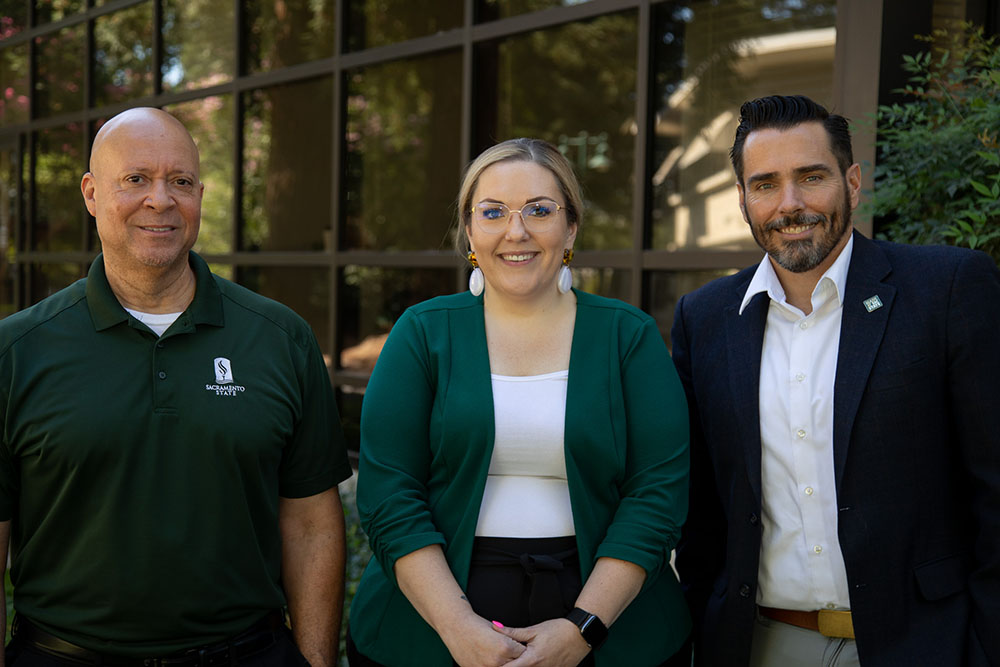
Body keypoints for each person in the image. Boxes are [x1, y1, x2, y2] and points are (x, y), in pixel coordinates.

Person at [0, 107, 353, 666]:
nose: (160, 200)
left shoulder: (280, 338)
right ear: (91, 193)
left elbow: (311, 524)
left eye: (180, 182)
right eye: (135, 179)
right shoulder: (16, 352)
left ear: (200, 197)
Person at [671, 94, 1000, 666]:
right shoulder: (705, 318)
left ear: (851, 183)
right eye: (765, 184)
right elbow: (702, 512)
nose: (790, 204)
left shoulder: (946, 289)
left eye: (811, 177)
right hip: (762, 644)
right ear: (744, 200)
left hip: (927, 643)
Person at [347, 138, 690, 666]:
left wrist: (583, 629)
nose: (517, 231)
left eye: (539, 210)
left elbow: (657, 496)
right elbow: (388, 493)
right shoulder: (422, 333)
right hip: (431, 626)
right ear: (469, 231)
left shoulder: (629, 337)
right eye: (493, 212)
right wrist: (458, 627)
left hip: (610, 623)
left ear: (570, 227)